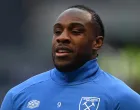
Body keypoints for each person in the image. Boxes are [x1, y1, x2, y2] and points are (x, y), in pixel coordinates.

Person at [1, 5, 140, 110]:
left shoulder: (123, 99)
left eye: (75, 31)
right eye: (57, 31)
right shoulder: (18, 96)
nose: (62, 37)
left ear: (97, 43)